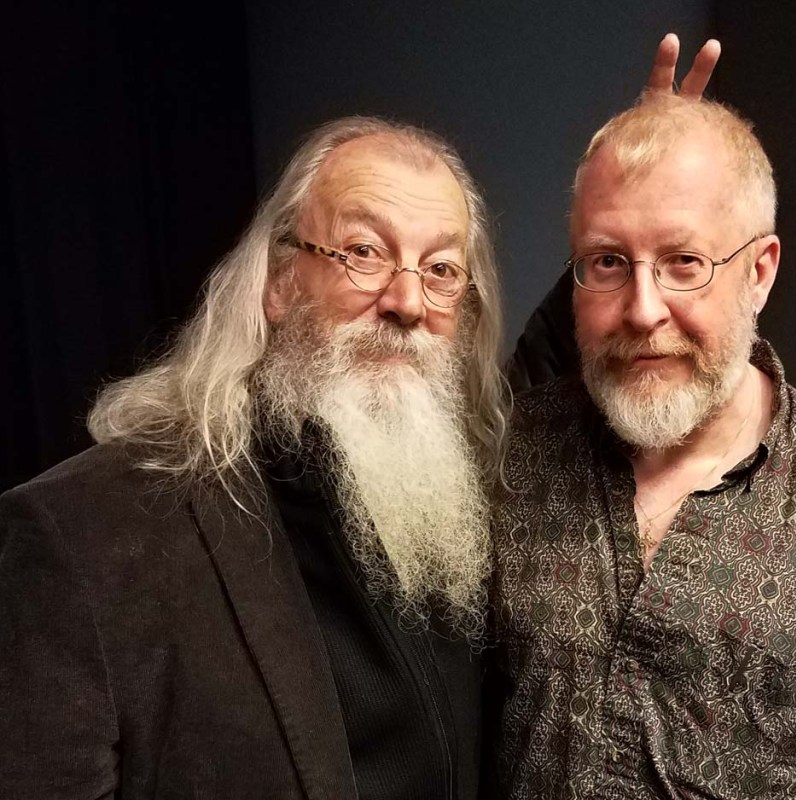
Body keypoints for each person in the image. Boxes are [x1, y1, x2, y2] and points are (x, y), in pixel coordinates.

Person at [0, 35, 718, 800]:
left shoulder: (453, 481)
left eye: (441, 269)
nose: (406, 302)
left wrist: (637, 210)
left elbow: (545, 369)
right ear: (279, 281)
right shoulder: (84, 533)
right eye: (364, 252)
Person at [491, 89, 796, 797]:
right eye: (607, 262)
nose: (642, 310)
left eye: (684, 261)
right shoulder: (510, 457)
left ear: (759, 272)